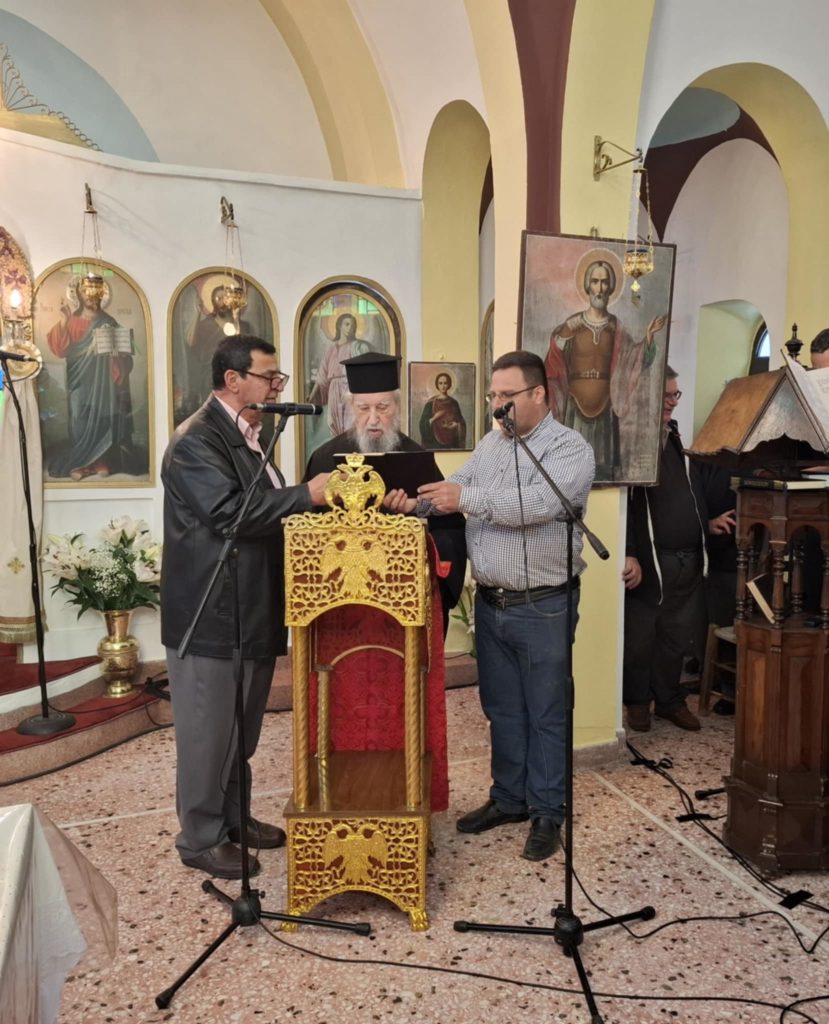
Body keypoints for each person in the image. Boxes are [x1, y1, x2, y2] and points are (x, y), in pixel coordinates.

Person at [386, 350, 595, 861]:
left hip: (543, 604)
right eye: (492, 396)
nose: (496, 406)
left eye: (506, 396)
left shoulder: (570, 449)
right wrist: (415, 505)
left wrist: (465, 498)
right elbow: (457, 490)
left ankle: (547, 811)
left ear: (539, 394)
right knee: (501, 709)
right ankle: (509, 799)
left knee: (546, 712)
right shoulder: (491, 443)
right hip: (493, 601)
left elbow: (537, 506)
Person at [160, 335, 330, 880]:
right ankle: (201, 838)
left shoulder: (248, 437)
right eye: (268, 377)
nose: (277, 387)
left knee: (240, 733)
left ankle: (233, 818)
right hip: (210, 616)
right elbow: (231, 513)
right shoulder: (196, 440)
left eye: (278, 378)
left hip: (250, 611)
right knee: (209, 736)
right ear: (232, 380)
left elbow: (264, 512)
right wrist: (308, 494)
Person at [304, 352, 467, 633]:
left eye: (382, 407)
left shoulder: (417, 458)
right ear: (350, 407)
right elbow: (307, 530)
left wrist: (413, 511)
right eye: (363, 408)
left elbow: (449, 527)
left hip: (404, 602)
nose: (373, 419)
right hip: (341, 604)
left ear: (397, 406)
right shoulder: (324, 458)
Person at [623, 366, 707, 733]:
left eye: (676, 395)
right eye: (666, 395)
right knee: (641, 637)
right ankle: (638, 702)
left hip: (686, 558)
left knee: (676, 634)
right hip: (650, 561)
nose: (673, 402)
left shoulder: (673, 437)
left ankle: (670, 700)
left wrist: (707, 522)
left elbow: (687, 489)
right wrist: (629, 551)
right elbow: (622, 503)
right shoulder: (631, 440)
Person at [544, 258, 667, 482]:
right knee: (572, 470)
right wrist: (563, 334)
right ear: (587, 286)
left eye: (604, 282)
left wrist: (648, 338)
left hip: (606, 408)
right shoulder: (572, 324)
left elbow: (634, 359)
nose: (599, 288)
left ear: (610, 288)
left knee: (602, 470)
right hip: (575, 406)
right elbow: (553, 362)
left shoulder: (616, 327)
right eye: (595, 281)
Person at [45, 275, 134, 480]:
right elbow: (60, 350)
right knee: (80, 417)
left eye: (95, 292)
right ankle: (80, 462)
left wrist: (116, 355)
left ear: (102, 295)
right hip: (79, 379)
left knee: (101, 415)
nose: (90, 296)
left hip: (102, 381)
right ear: (78, 294)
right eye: (86, 292)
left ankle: (99, 460)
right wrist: (64, 320)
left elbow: (124, 358)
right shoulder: (71, 320)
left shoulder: (109, 322)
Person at [179, 282, 254, 425]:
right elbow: (191, 342)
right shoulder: (205, 325)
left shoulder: (243, 326)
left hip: (236, 376)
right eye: (219, 299)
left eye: (226, 299)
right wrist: (197, 313)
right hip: (209, 375)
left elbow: (247, 348)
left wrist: (236, 318)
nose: (223, 303)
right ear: (213, 302)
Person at [308, 313, 372, 436]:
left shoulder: (357, 347)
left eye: (353, 325)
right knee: (333, 422)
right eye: (347, 324)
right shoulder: (330, 348)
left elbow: (364, 372)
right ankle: (337, 445)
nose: (350, 328)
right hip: (334, 389)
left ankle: (350, 446)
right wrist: (312, 396)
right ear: (339, 326)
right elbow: (322, 374)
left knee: (350, 422)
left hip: (350, 387)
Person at [419, 370, 467, 449]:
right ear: (437, 385)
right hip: (434, 443)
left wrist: (456, 425)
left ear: (449, 384)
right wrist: (434, 418)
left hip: (451, 444)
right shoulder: (431, 403)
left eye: (445, 383)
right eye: (440, 383)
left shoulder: (454, 403)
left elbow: (461, 422)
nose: (443, 386)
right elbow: (422, 424)